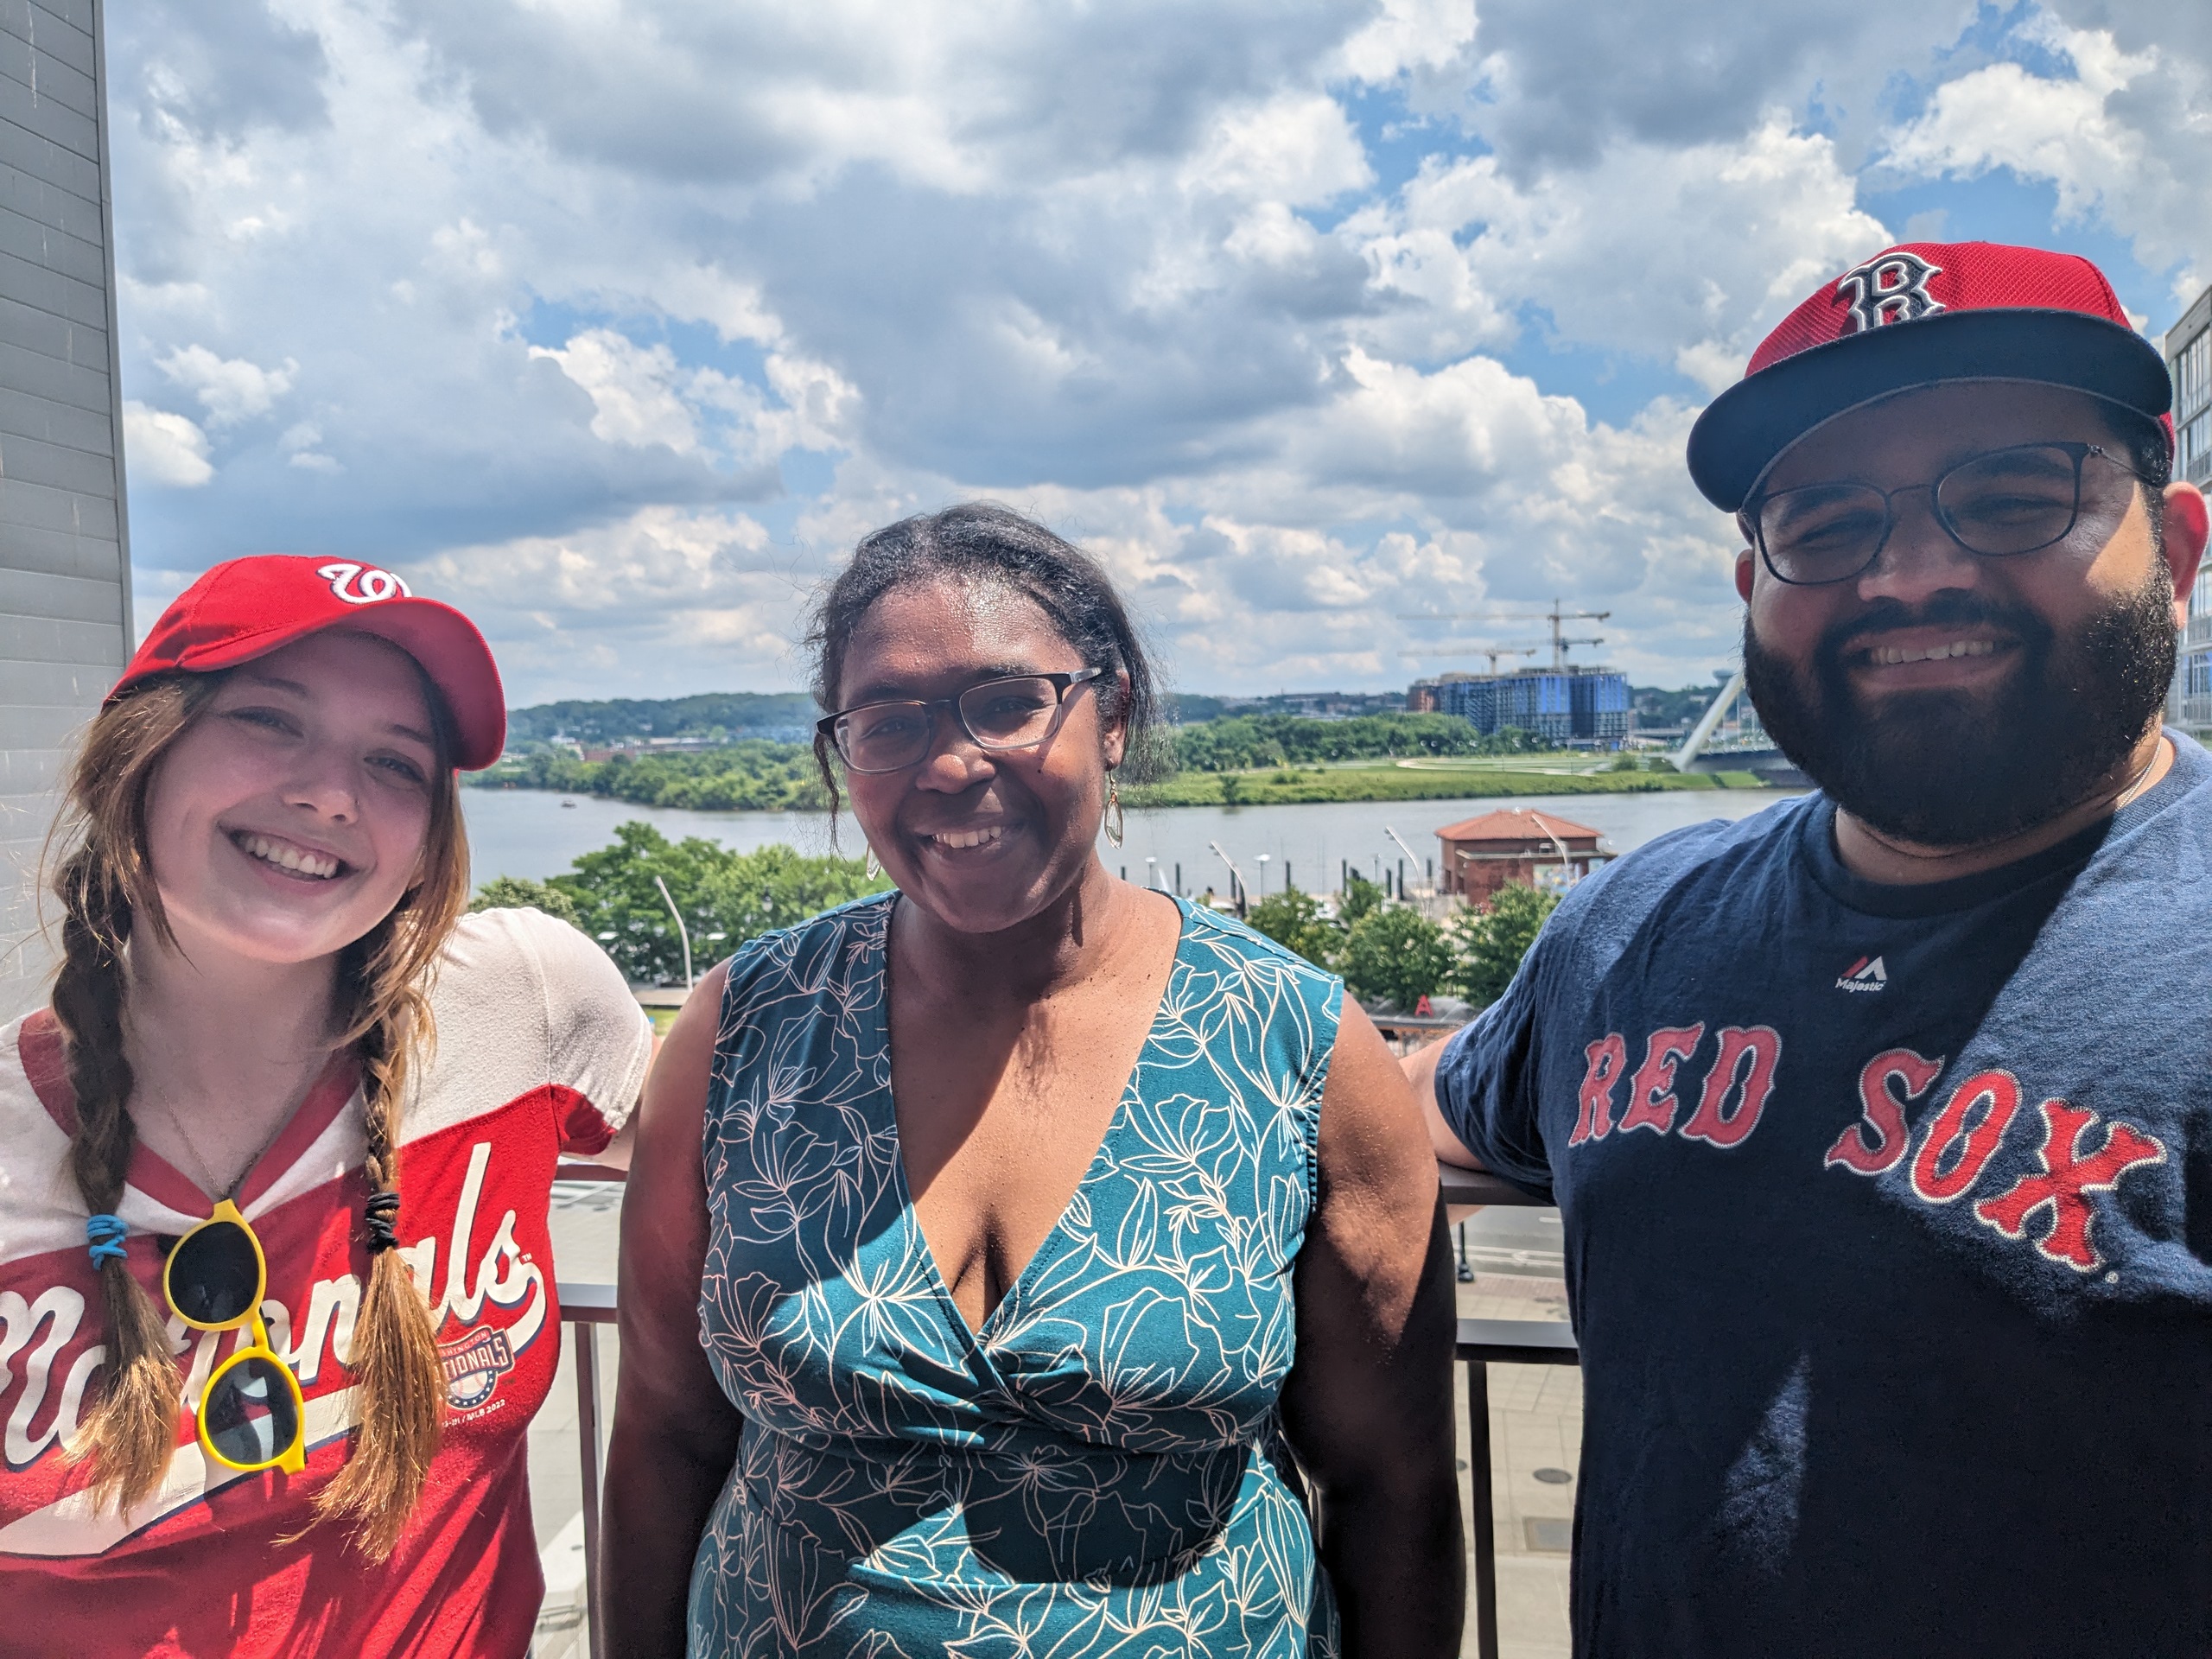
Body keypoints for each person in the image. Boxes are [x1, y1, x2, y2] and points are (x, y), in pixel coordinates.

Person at [1412, 240, 2212, 1655]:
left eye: (2017, 497)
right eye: (1828, 526)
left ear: (2182, 548)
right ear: (1751, 589)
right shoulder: (1629, 925)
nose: (1911, 575)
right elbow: (1408, 1113)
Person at [606, 504, 1460, 1657]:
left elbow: (1395, 1492)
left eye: (1008, 703)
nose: (952, 765)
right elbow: (664, 1431)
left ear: (1114, 714)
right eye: (887, 722)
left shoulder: (1295, 1044)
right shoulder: (743, 1029)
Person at [0, 556, 653, 1656]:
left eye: (394, 762)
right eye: (269, 720)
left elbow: (778, 1187)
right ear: (138, 759)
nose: (330, 793)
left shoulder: (526, 998)